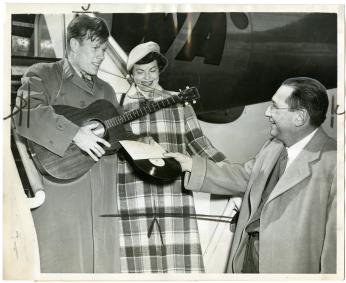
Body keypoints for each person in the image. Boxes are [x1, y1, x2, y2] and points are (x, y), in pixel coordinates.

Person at [166, 77, 336, 273]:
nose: (267, 112)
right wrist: (189, 164)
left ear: (300, 117)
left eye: (274, 107)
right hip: (248, 258)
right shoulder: (273, 146)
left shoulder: (334, 164)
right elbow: (244, 177)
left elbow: (336, 252)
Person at [13, 15, 127, 273]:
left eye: (104, 50)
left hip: (103, 204)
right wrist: (75, 133)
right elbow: (24, 113)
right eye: (95, 48)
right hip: (63, 200)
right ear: (74, 46)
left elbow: (119, 136)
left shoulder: (107, 90)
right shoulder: (43, 74)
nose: (101, 56)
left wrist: (143, 144)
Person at [114, 41, 226, 273]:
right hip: (133, 193)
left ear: (160, 70)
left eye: (152, 70)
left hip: (173, 192)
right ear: (131, 74)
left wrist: (227, 169)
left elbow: (198, 143)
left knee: (179, 266)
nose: (147, 78)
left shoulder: (178, 101)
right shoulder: (119, 106)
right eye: (140, 72)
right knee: (138, 265)